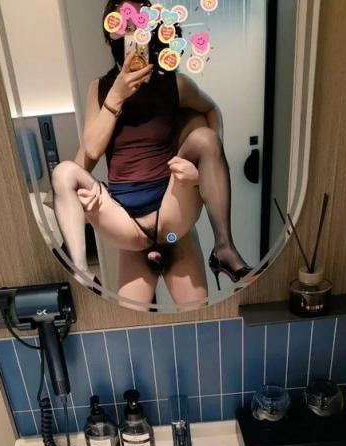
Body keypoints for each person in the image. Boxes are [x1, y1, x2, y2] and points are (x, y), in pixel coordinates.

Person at [52, 0, 252, 306]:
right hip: (126, 226)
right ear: (109, 39)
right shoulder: (100, 89)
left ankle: (224, 247)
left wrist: (206, 168)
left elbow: (211, 111)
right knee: (63, 173)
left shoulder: (175, 83)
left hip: (172, 220)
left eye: (139, 27)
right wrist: (117, 95)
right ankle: (81, 272)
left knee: (206, 138)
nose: (133, 36)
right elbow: (90, 151)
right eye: (124, 28)